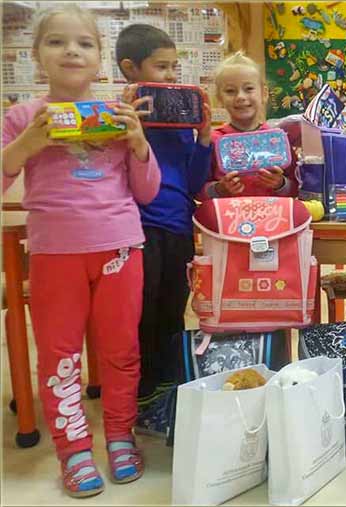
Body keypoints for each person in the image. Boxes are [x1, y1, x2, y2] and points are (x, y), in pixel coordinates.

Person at [1, 5, 160, 496]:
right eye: (57, 42)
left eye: (84, 43)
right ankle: (72, 449)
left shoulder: (118, 114)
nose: (71, 51)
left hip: (120, 247)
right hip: (55, 253)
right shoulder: (21, 117)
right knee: (59, 355)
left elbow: (147, 191)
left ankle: (120, 436)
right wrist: (26, 144)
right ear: (36, 56)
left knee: (121, 351)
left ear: (99, 60)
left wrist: (138, 142)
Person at [114, 23, 212, 431]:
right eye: (161, 66)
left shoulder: (182, 121)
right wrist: (125, 123)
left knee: (173, 308)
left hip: (177, 229)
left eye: (174, 66)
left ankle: (169, 389)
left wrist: (203, 137)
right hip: (137, 231)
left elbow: (194, 183)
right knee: (141, 313)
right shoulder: (119, 118)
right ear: (130, 69)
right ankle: (140, 393)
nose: (171, 75)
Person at [199, 51, 298, 200]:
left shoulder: (278, 139)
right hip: (229, 214)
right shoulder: (213, 140)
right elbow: (198, 189)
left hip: (273, 214)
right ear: (219, 98)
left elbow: (297, 186)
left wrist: (280, 184)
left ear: (264, 93)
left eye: (249, 89)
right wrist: (220, 189)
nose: (240, 97)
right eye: (230, 91)